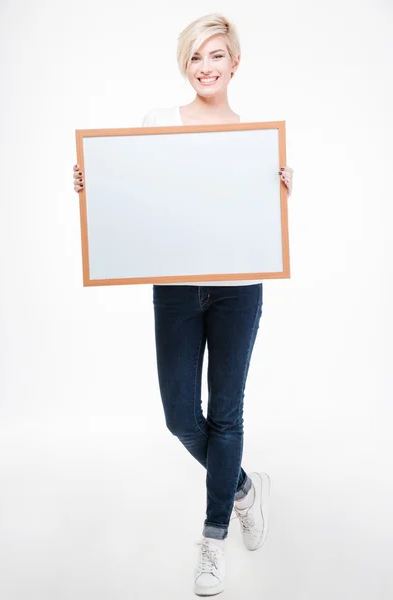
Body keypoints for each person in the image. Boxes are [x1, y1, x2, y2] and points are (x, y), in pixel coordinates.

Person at [73, 13, 294, 597]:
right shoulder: (159, 122)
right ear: (185, 65)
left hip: (237, 288)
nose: (206, 67)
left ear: (235, 62)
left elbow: (256, 225)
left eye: (216, 55)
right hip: (174, 287)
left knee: (226, 413)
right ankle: (244, 487)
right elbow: (136, 194)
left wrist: (279, 191)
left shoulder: (255, 138)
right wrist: (95, 181)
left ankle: (214, 535)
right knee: (179, 415)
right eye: (195, 57)